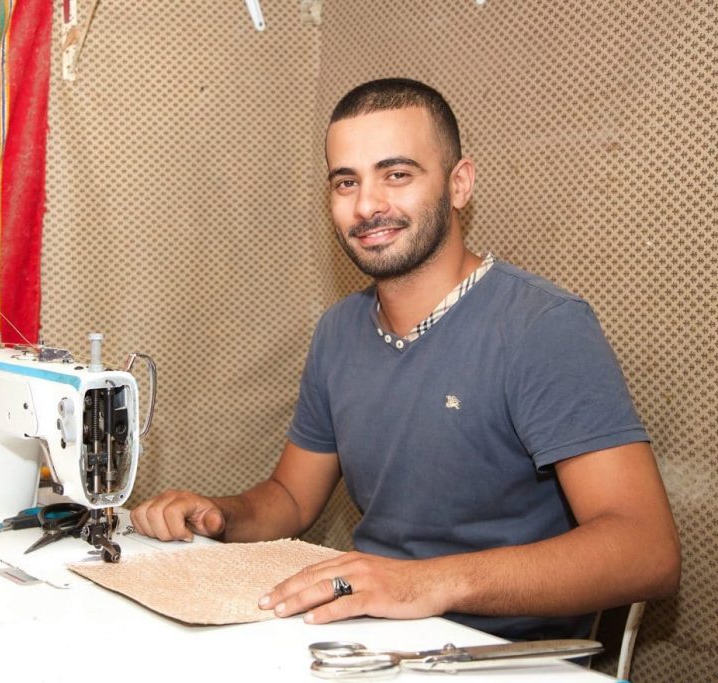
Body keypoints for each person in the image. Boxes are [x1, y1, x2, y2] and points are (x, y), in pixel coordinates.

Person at [131, 78, 681, 641]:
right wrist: (218, 516)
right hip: (366, 637)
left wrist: (421, 584)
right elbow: (292, 499)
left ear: (459, 184)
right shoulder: (339, 329)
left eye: (396, 175)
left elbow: (647, 552)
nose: (367, 205)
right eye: (347, 182)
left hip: (501, 657)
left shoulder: (541, 327)